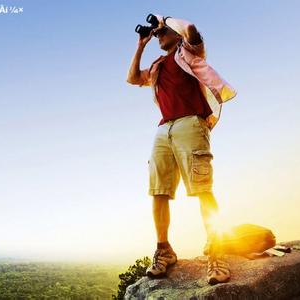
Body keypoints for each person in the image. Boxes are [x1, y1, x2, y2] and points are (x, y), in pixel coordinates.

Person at [126, 14, 237, 285]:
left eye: (163, 31)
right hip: (164, 128)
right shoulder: (157, 65)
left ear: (176, 34)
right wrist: (141, 45)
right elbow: (131, 78)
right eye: (158, 32)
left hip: (191, 122)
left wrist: (165, 19)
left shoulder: (189, 51)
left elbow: (191, 28)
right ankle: (164, 250)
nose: (159, 35)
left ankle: (217, 250)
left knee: (202, 187)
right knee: (159, 190)